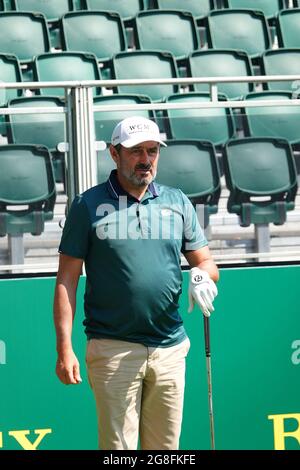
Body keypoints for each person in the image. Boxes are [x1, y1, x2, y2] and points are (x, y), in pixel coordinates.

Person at [53, 116, 219, 450]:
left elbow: (206, 262)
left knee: (165, 452)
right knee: (119, 452)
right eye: (136, 151)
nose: (145, 159)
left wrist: (202, 276)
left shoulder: (177, 201)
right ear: (114, 154)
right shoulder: (86, 205)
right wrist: (64, 348)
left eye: (152, 151)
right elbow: (66, 280)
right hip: (113, 348)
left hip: (169, 347)